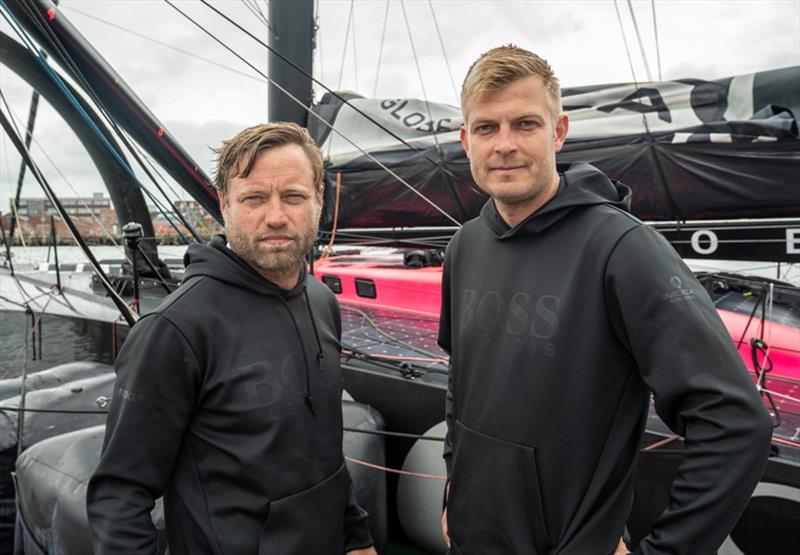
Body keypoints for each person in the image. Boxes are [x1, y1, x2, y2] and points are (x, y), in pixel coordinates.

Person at [437, 45, 773, 555]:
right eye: (487, 128)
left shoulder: (622, 248)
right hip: (470, 534)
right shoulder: (464, 246)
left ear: (558, 131)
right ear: (466, 140)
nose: (504, 144)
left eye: (525, 124)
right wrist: (452, 487)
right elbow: (462, 384)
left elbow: (735, 421)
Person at [87, 122, 377, 555]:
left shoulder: (320, 302)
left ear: (319, 198)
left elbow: (323, 447)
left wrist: (355, 536)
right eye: (254, 198)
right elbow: (119, 496)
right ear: (224, 204)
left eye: (293, 196)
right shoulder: (175, 330)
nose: (275, 216)